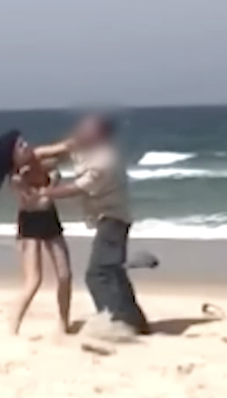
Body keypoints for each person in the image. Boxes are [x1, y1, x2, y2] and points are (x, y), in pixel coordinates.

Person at [36, 115, 151, 334]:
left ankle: (114, 323)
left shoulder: (105, 160)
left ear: (99, 135)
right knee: (113, 272)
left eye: (85, 129)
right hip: (103, 218)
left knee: (98, 274)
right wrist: (33, 160)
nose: (79, 131)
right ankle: (136, 323)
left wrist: (46, 193)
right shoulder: (83, 146)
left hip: (114, 218)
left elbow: (78, 187)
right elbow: (54, 155)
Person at [0, 129, 72, 335]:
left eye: (24, 141)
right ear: (13, 156)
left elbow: (63, 147)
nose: (26, 145)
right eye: (20, 145)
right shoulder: (17, 179)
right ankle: (13, 327)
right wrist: (54, 182)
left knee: (64, 275)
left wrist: (84, 139)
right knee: (34, 281)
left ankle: (63, 324)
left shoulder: (37, 155)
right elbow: (40, 203)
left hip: (50, 219)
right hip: (30, 223)